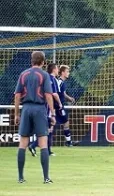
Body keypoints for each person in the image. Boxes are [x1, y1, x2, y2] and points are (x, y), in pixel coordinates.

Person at [14, 51, 56, 184]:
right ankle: (46, 178)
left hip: (26, 109)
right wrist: (53, 113)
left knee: (23, 144)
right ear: (43, 62)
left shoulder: (23, 74)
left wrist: (16, 114)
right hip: (39, 109)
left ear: (31, 61)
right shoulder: (44, 75)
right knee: (43, 143)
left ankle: (20, 178)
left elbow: (17, 95)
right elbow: (48, 95)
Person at [29, 63, 60, 157]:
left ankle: (48, 150)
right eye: (57, 68)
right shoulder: (52, 79)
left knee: (48, 129)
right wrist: (60, 104)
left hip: (39, 105)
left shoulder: (43, 78)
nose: (58, 70)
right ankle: (33, 145)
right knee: (47, 129)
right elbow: (54, 94)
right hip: (47, 107)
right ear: (54, 70)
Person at [56, 65, 77, 146]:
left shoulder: (62, 82)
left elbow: (63, 94)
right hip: (57, 106)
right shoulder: (59, 82)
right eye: (67, 71)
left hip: (59, 105)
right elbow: (55, 93)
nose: (69, 73)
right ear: (63, 72)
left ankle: (69, 142)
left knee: (65, 122)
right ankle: (68, 142)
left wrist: (70, 98)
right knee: (63, 122)